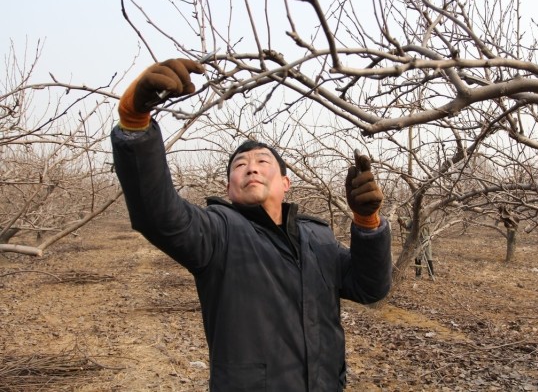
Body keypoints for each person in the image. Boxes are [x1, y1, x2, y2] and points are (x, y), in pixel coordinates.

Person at [110, 58, 392, 391]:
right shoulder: (218, 233)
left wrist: (367, 222)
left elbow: (370, 287)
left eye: (262, 162)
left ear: (286, 184)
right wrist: (134, 121)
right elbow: (157, 214)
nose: (251, 168)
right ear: (229, 188)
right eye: (240, 165)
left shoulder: (318, 239)